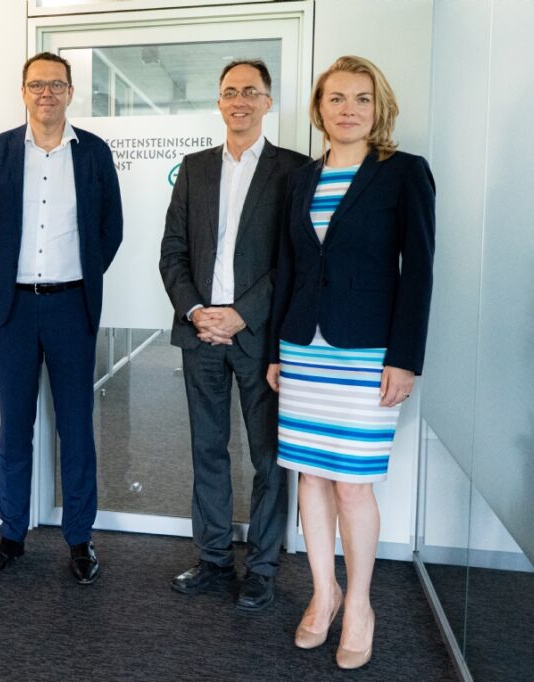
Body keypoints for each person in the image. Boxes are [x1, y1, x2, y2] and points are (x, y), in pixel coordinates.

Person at [266, 55, 435, 669]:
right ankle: (324, 592)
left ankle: (359, 604)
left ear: (378, 107)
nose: (348, 110)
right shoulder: (301, 178)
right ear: (319, 108)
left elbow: (417, 272)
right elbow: (291, 267)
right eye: (336, 99)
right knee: (310, 476)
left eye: (361, 99)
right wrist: (277, 350)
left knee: (353, 483)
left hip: (366, 353)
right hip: (303, 349)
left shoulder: (404, 173)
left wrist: (405, 359)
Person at [159, 60, 309, 611]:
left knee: (268, 456)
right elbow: (172, 251)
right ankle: (215, 558)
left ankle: (263, 567)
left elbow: (293, 261)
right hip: (200, 335)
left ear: (268, 102)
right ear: (219, 103)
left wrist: (241, 314)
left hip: (260, 339)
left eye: (251, 91)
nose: (239, 100)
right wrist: (198, 310)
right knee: (208, 451)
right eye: (229, 92)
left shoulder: (295, 171)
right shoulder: (194, 169)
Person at [0, 51, 122, 584]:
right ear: (23, 91)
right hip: (13, 309)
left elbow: (111, 231)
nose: (46, 94)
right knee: (15, 426)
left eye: (56, 85)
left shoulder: (95, 154)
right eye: (37, 85)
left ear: (70, 92)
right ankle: (11, 533)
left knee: (76, 426)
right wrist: (17, 271)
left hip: (70, 306)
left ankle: (80, 539)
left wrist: (74, 275)